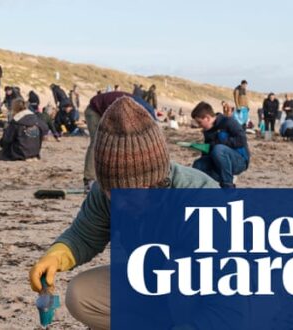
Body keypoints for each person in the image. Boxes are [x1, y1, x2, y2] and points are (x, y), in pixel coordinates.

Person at [28, 98, 217, 330]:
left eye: (128, 194)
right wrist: (56, 256)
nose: (119, 202)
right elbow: (84, 235)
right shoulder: (106, 191)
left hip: (204, 296)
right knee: (81, 295)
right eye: (111, 191)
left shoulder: (199, 196)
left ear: (153, 181)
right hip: (150, 283)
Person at [81, 90, 157, 191]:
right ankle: (89, 179)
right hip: (95, 111)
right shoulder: (130, 109)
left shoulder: (145, 112)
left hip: (109, 110)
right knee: (96, 142)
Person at [191, 101, 251, 188]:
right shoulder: (207, 131)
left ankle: (228, 186)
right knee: (198, 164)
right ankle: (210, 188)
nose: (199, 125)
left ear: (207, 118)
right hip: (219, 162)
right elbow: (207, 153)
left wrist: (218, 143)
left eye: (200, 122)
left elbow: (241, 140)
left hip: (239, 161)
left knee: (218, 149)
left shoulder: (228, 122)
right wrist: (203, 148)